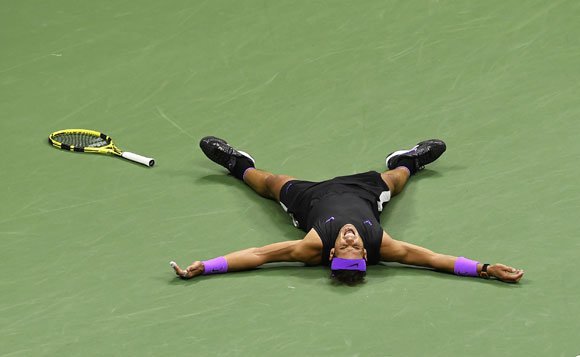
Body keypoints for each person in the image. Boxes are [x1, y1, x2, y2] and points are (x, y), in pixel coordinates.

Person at [170, 136, 524, 285]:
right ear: (366, 253)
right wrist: (485, 269)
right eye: (355, 247)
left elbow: (258, 255)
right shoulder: (381, 243)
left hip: (311, 200)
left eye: (346, 247)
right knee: (395, 180)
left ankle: (237, 164)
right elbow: (433, 259)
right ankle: (409, 161)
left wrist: (208, 266)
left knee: (271, 182)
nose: (351, 239)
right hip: (363, 193)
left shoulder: (311, 246)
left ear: (332, 252)